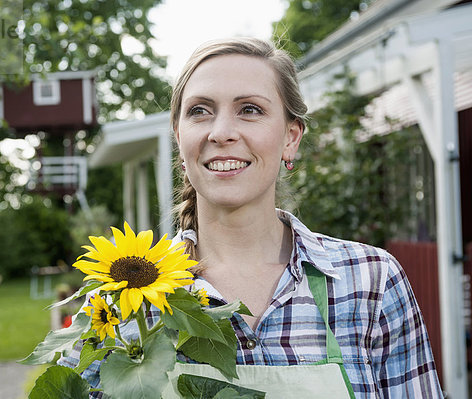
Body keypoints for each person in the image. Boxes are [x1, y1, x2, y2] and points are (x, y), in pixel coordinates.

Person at [60, 37, 443, 398]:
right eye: (200, 111)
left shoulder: (369, 281)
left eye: (250, 110)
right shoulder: (119, 303)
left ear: (291, 137)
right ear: (180, 138)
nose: (221, 132)